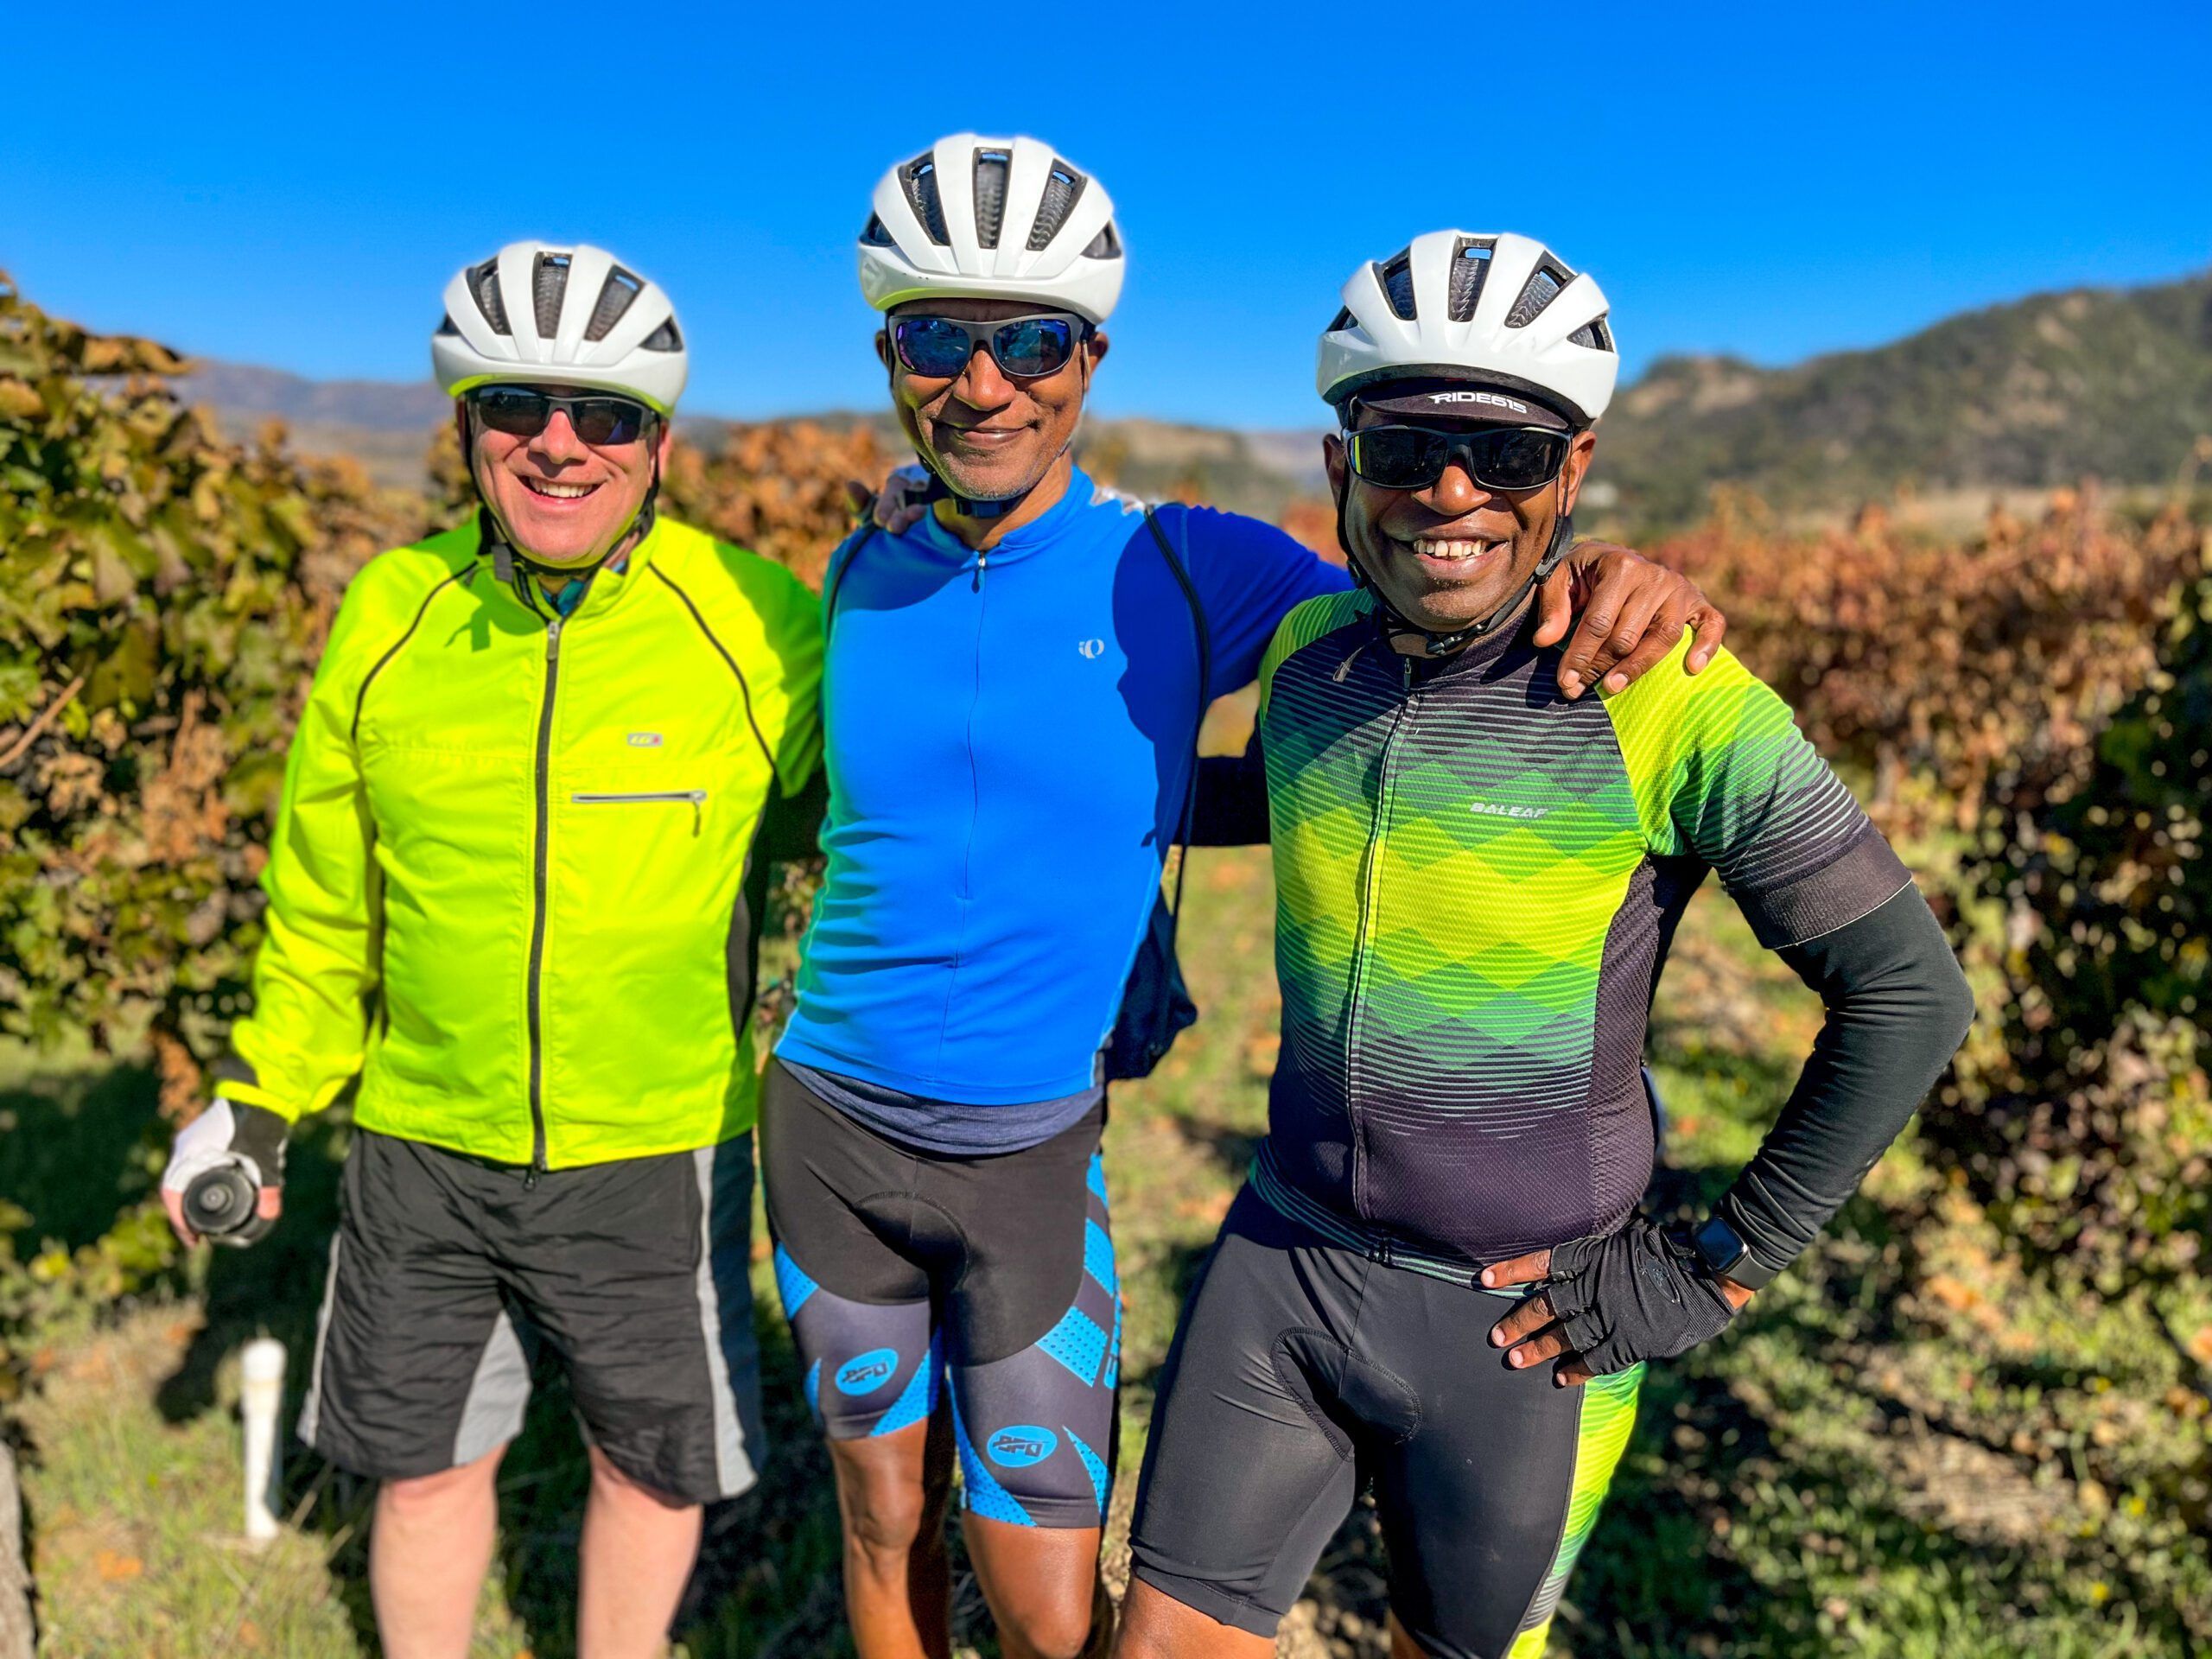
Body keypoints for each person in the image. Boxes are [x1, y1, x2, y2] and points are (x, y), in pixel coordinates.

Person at [764, 138, 1731, 1659]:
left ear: (1089, 357)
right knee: (880, 1519)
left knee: (1045, 1604)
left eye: (1028, 340)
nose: (983, 382)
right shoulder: (854, 574)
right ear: (891, 351)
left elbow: (1430, 585)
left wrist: (1600, 573)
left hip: (1030, 1150)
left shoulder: (1189, 563)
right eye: (936, 337)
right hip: (823, 1117)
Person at [1115, 230, 1978, 1659]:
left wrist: (1715, 1265)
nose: (1450, 491)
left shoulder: (1669, 697)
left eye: (1503, 455)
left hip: (1523, 1329)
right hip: (1284, 1260)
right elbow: (1292, 798)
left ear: (1570, 475)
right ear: (1341, 468)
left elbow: (1908, 997)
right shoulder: (1308, 660)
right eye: (1405, 445)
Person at [159, 243, 824, 1659]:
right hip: (424, 1142)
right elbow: (326, 893)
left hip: (658, 1147)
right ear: (464, 429)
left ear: (660, 445)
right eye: (517, 405)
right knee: (422, 1463)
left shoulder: (763, 626)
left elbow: (911, 817)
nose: (560, 445)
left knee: (652, 1471)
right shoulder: (392, 614)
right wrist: (267, 1096)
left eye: (608, 416)